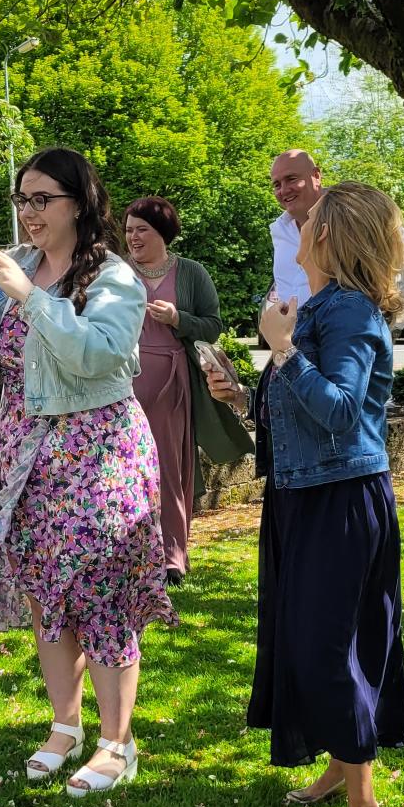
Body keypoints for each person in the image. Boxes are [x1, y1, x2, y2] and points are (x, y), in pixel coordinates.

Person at [0, 147, 176, 796]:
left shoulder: (113, 278)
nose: (28, 211)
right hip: (27, 459)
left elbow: (98, 356)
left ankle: (116, 743)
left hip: (98, 454)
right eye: (22, 199)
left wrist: (29, 297)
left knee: (100, 594)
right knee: (46, 595)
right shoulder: (21, 265)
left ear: (80, 203)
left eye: (42, 199)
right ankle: (65, 728)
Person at [203, 182, 404, 807]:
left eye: (310, 219)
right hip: (301, 496)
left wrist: (283, 351)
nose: (297, 224)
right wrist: (244, 396)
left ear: (331, 235)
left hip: (340, 502)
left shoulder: (347, 311)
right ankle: (337, 767)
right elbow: (296, 417)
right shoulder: (319, 306)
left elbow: (345, 412)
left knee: (329, 650)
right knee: (305, 643)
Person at [122, 195, 254, 583]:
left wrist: (178, 318)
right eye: (128, 230)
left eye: (141, 229)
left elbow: (213, 326)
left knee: (168, 469)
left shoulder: (191, 273)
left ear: (162, 232)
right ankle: (128, 555)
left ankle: (171, 558)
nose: (133, 237)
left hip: (170, 384)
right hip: (121, 381)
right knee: (124, 470)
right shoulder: (114, 271)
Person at [268, 149, 404, 311]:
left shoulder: (350, 214)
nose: (283, 190)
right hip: (296, 338)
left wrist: (394, 321)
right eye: (276, 184)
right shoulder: (279, 230)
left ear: (316, 176)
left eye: (291, 179)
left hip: (342, 336)